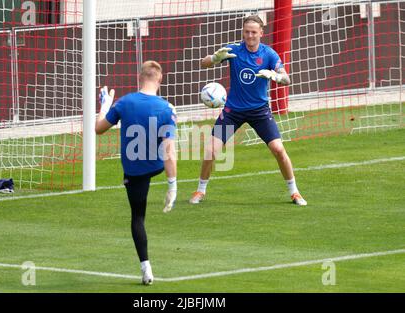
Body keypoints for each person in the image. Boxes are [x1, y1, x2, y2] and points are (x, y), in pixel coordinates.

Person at [190, 15, 307, 206]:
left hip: (259, 111)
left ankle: (294, 192)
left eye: (254, 32)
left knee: (278, 149)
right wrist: (214, 58)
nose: (250, 35)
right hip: (233, 111)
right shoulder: (233, 50)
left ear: (261, 32)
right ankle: (200, 191)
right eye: (247, 32)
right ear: (243, 32)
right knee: (211, 151)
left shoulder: (268, 54)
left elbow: (287, 79)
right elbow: (203, 63)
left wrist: (276, 76)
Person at [95, 60, 177, 285]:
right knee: (161, 156)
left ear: (140, 77)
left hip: (135, 170)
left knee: (138, 217)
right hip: (157, 165)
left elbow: (98, 129)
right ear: (159, 80)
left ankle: (146, 268)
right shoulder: (166, 108)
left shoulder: (124, 103)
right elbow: (169, 150)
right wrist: (173, 185)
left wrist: (104, 105)